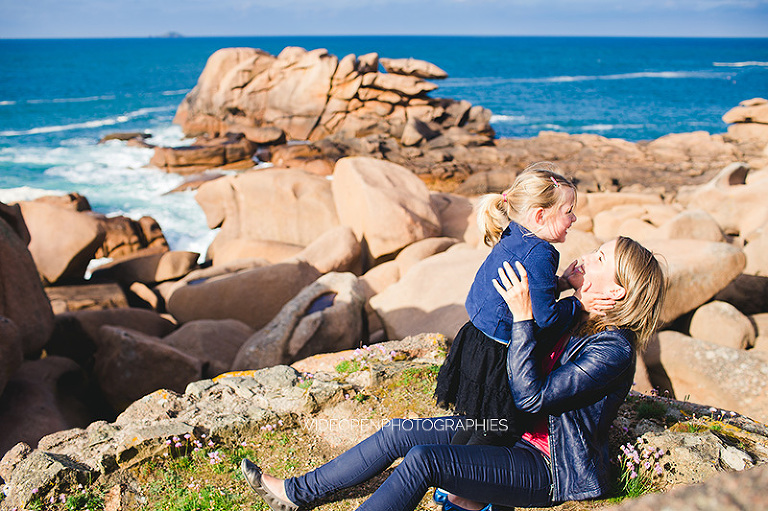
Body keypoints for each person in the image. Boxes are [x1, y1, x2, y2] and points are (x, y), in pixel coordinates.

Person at [240, 236, 666, 511]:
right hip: (506, 428)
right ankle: (299, 493)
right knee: (399, 432)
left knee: (426, 460)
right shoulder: (574, 312)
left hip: (545, 464)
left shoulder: (612, 349)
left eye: (599, 259)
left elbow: (532, 398)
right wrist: (551, 284)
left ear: (616, 292)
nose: (585, 256)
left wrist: (522, 320)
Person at [435, 162, 613, 449]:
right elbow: (547, 318)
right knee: (494, 428)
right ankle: (459, 486)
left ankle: (447, 477)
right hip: (499, 351)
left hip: (474, 337)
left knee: (476, 419)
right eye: (568, 212)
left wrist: (562, 283)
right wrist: (578, 304)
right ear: (540, 215)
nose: (575, 218)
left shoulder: (514, 233)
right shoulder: (543, 254)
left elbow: (528, 287)